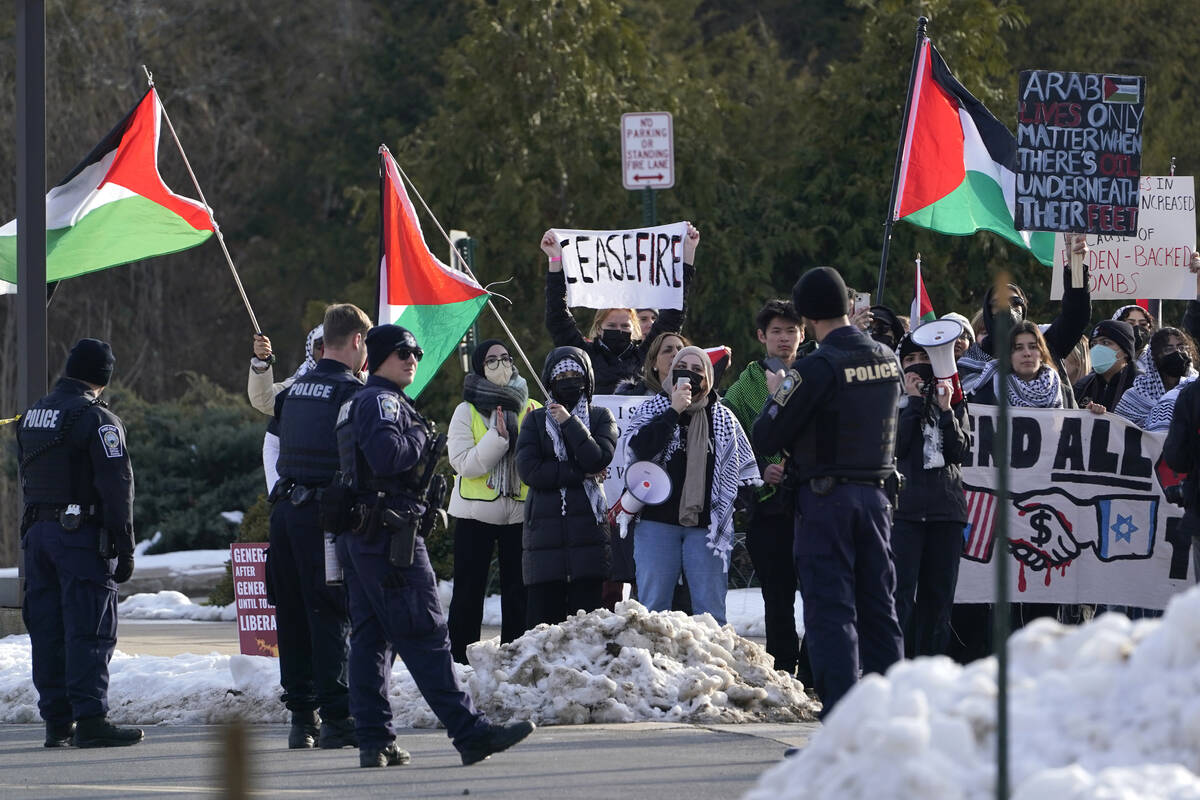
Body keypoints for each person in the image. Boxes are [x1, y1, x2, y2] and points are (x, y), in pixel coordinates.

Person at [336, 324, 534, 767]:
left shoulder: (360, 402)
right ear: (378, 356)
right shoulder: (381, 402)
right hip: (390, 537)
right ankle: (470, 732)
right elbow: (390, 456)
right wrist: (423, 439)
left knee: (372, 639)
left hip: (369, 536)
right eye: (402, 352)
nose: (413, 359)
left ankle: (374, 739)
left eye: (417, 352)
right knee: (426, 634)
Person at [752, 266, 904, 716]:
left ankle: (842, 724)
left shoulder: (815, 367)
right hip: (877, 496)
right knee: (879, 607)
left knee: (831, 611)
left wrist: (778, 394)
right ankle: (889, 718)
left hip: (826, 502)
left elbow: (766, 436)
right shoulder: (886, 358)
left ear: (805, 314)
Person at [17, 338, 143, 748]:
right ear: (102, 378)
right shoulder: (98, 419)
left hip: (38, 536)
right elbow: (116, 485)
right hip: (79, 538)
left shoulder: (34, 414)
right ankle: (90, 719)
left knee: (48, 629)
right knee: (89, 626)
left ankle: (57, 721)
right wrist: (124, 547)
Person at [267, 304, 370, 751]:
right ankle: (337, 718)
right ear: (357, 342)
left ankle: (300, 718)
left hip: (285, 515)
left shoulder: (293, 390)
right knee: (329, 614)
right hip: (324, 520)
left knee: (290, 614)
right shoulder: (351, 393)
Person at [625, 346, 761, 626]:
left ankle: (713, 668)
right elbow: (639, 449)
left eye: (697, 369)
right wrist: (674, 410)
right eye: (681, 366)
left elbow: (745, 475)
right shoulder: (653, 408)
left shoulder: (723, 418)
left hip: (706, 531)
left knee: (710, 614)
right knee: (653, 611)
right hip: (656, 524)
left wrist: (723, 506)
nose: (689, 373)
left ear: (709, 378)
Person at [723, 300, 807, 676]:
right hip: (769, 507)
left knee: (820, 593)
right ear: (762, 336)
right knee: (777, 596)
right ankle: (783, 668)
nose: (784, 339)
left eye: (791, 331)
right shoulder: (748, 383)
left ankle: (814, 671)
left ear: (803, 334)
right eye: (777, 331)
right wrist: (759, 469)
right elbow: (731, 435)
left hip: (813, 503)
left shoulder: (814, 374)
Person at [446, 339, 540, 663]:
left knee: (519, 594)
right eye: (491, 360)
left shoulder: (532, 406)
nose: (501, 364)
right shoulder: (466, 409)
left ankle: (515, 660)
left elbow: (541, 460)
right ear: (479, 367)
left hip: (520, 513)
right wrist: (497, 439)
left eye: (505, 358)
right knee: (468, 594)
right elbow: (464, 463)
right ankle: (460, 662)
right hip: (475, 515)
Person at [516, 347, 618, 626]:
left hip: (589, 538)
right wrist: (580, 473)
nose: (570, 380)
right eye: (562, 375)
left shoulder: (601, 417)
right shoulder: (534, 420)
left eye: (576, 374)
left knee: (587, 630)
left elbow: (597, 457)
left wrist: (570, 423)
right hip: (544, 541)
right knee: (542, 630)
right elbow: (530, 471)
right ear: (550, 381)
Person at [540, 224, 700, 394]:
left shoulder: (645, 356)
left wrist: (688, 253)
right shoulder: (584, 355)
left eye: (625, 327)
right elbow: (557, 317)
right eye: (612, 326)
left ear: (634, 329)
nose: (619, 330)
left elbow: (673, 315)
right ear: (599, 328)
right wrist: (555, 259)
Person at [891, 334, 971, 658]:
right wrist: (911, 403)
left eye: (925, 358)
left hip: (945, 513)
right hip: (904, 513)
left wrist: (946, 410)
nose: (917, 366)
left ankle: (931, 668)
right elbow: (895, 447)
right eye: (910, 361)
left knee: (938, 600)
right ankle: (893, 666)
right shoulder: (892, 399)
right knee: (898, 597)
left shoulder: (952, 398)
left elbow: (961, 450)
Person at [251, 325, 324, 493]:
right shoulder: (302, 379)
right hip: (287, 457)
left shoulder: (366, 383)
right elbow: (265, 400)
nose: (324, 351)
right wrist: (261, 361)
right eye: (319, 345)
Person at [969, 321, 1067, 408]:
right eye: (1019, 348)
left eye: (1033, 347)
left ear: (1041, 354)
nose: (1027, 353)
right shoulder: (989, 391)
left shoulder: (1061, 389)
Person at [1114, 327, 1198, 427]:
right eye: (1169, 349)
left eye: (1181, 348)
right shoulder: (1135, 395)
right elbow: (1118, 430)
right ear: (1155, 356)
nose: (1177, 353)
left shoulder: (1195, 388)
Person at [1073, 320, 1138, 415]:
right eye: (1093, 344)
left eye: (1106, 343)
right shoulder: (1082, 386)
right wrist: (1085, 415)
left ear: (1125, 352)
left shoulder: (1140, 386)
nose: (1097, 348)